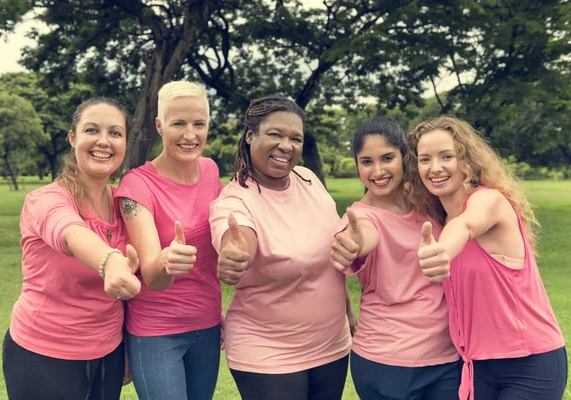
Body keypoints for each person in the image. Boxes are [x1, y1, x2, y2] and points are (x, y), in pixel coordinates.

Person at [405, 116, 567, 400]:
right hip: (476, 366)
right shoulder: (439, 219)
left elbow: (466, 225)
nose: (435, 168)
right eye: (425, 159)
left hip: (529, 363)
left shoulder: (489, 201)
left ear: (466, 160)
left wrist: (441, 252)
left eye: (447, 156)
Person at [209, 95, 351, 400]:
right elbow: (237, 239)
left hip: (331, 346)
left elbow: (331, 259)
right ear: (250, 136)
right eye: (275, 134)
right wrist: (235, 255)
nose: (286, 145)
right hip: (268, 352)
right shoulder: (235, 200)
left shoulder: (309, 180)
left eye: (295, 138)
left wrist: (347, 313)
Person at [2, 98, 141, 400]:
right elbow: (69, 231)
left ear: (125, 143)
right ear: (73, 137)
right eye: (92, 130)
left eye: (115, 133)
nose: (104, 141)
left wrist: (127, 345)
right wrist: (110, 260)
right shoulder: (46, 200)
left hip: (108, 353)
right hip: (43, 352)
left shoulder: (125, 204)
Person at [330, 117, 460, 400]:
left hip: (447, 358)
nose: (377, 171)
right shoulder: (360, 218)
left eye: (387, 158)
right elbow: (364, 235)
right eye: (366, 162)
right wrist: (354, 244)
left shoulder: (428, 199)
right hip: (387, 362)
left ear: (404, 157)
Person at [115, 81, 222, 400]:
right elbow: (151, 274)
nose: (190, 135)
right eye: (179, 123)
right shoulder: (136, 187)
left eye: (198, 124)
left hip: (206, 325)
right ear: (160, 125)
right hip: (155, 332)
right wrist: (167, 262)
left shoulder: (211, 171)